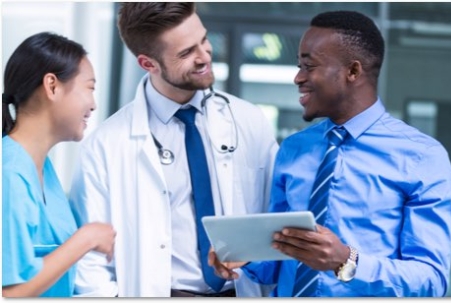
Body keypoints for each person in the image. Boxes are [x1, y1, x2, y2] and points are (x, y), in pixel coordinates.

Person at [209, 10, 451, 297]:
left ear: (353, 71)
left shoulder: (422, 156)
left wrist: (345, 260)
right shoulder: (294, 148)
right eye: (298, 65)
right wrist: (245, 256)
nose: (298, 78)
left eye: (308, 66)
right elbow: (276, 261)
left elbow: (431, 280)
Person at [68, 2, 278, 297]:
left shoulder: (249, 121)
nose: (204, 56)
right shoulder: (105, 146)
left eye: (203, 40)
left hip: (242, 290)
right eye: (186, 53)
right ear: (148, 64)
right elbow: (90, 263)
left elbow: (275, 217)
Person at [2, 32, 116, 297]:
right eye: (90, 87)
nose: (93, 104)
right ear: (52, 86)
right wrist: (86, 239)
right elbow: (8, 292)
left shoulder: (42, 169)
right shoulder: (8, 174)